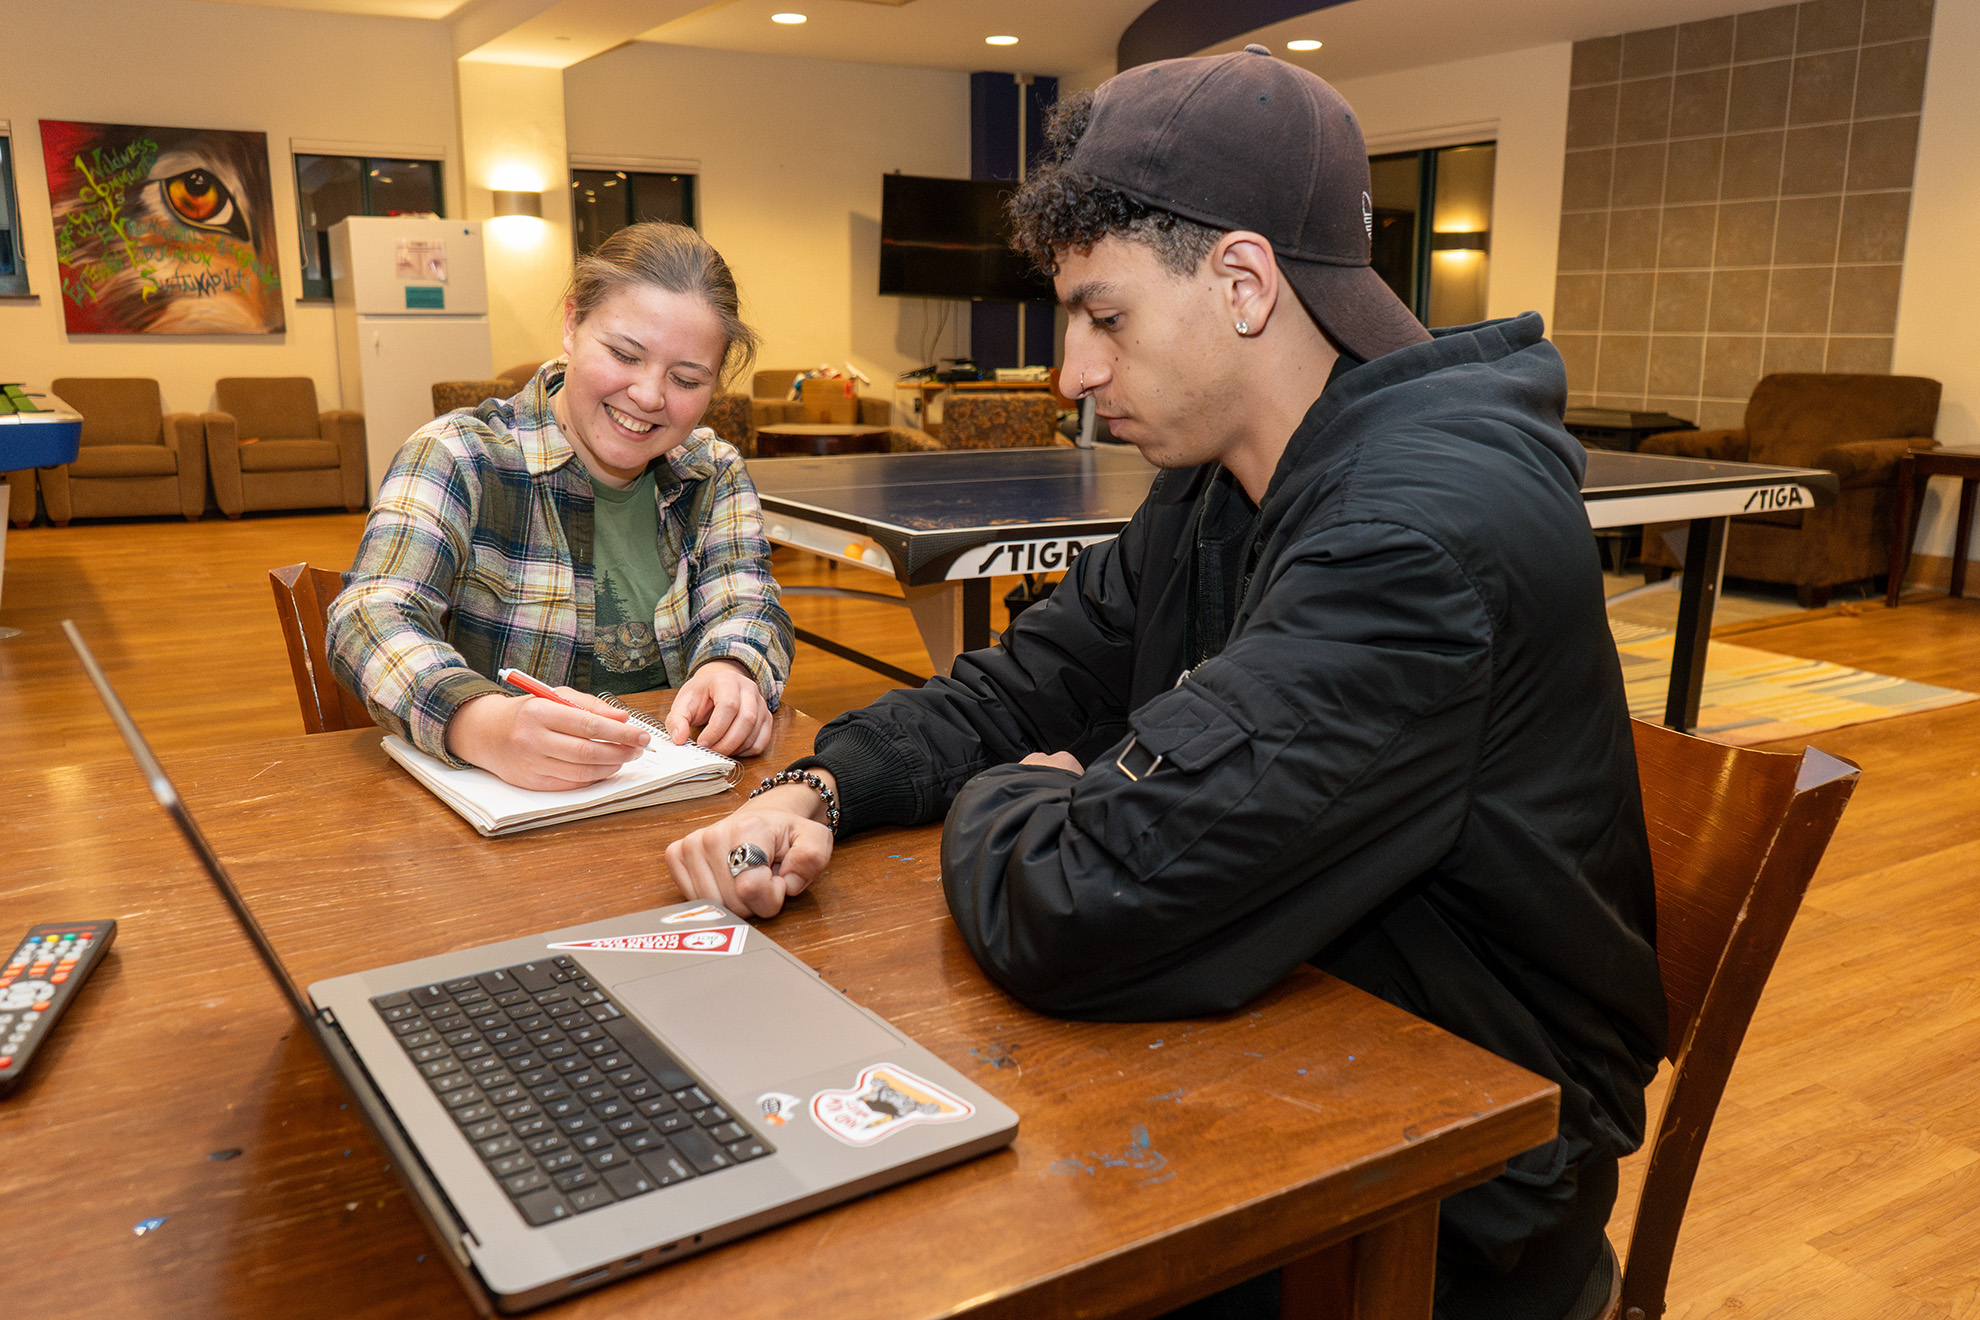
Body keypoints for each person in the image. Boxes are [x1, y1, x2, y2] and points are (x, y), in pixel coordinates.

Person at [666, 50, 1663, 1320]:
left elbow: (1081, 900)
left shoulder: (1412, 539)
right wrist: (818, 788)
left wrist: (1023, 802)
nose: (1074, 372)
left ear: (1242, 283)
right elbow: (1029, 686)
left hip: (1459, 1172)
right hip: (1296, 1019)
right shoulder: (1217, 480)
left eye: (1105, 316)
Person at [328, 222, 794, 790]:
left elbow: (747, 600)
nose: (649, 396)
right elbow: (369, 615)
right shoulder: (457, 455)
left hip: (671, 800)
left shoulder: (713, 471)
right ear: (572, 325)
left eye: (686, 378)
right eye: (624, 354)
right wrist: (481, 722)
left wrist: (733, 666)